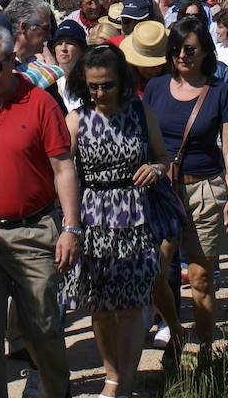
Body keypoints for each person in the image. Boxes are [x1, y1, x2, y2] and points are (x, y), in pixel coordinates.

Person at [0, 19, 78, 398]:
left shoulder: (41, 103)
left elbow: (63, 168)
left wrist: (71, 228)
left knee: (42, 329)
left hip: (34, 230)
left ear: (12, 61)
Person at [60, 44, 168, 398]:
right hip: (92, 218)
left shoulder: (141, 112)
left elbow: (163, 157)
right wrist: (69, 226)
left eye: (106, 85)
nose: (100, 93)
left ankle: (126, 380)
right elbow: (60, 172)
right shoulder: (76, 120)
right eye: (93, 86)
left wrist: (154, 169)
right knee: (102, 307)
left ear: (121, 81)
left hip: (135, 215)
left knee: (133, 305)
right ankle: (111, 376)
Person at [143, 17, 228, 363]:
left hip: (206, 189)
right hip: (163, 191)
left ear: (204, 53)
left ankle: (203, 349)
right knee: (154, 270)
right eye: (176, 50)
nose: (182, 56)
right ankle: (174, 328)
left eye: (190, 50)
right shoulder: (155, 89)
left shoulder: (217, 91)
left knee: (200, 278)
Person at [52, 20, 88, 109]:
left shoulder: (90, 81)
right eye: (59, 43)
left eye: (69, 43)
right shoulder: (50, 82)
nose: (63, 48)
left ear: (82, 49)